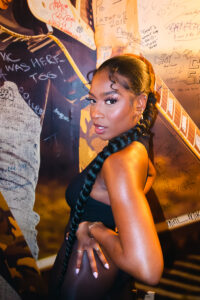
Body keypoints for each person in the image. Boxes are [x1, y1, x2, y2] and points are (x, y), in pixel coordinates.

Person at [49, 54, 164, 299]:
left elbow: (149, 270)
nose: (96, 113)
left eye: (110, 101)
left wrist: (94, 228)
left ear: (140, 103)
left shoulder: (120, 161)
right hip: (99, 274)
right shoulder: (134, 147)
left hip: (87, 277)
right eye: (93, 100)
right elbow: (150, 174)